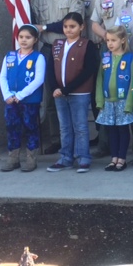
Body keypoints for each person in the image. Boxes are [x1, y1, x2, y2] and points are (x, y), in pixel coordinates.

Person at [31, 0, 85, 154]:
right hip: (47, 50)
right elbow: (32, 22)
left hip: (69, 49)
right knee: (52, 93)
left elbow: (72, 21)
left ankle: (74, 139)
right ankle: (57, 139)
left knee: (70, 93)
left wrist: (44, 27)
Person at [46, 12, 97, 173]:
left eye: (73, 26)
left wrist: (67, 89)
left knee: (80, 126)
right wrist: (55, 87)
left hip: (79, 93)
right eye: (66, 26)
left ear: (81, 27)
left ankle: (83, 157)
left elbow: (89, 70)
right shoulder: (57, 44)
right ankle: (66, 157)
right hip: (59, 94)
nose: (69, 30)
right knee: (65, 127)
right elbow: (51, 69)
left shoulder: (87, 45)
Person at [0, 24, 45, 172]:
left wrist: (20, 95)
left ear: (35, 39)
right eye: (21, 37)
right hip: (11, 100)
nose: (24, 40)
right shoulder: (10, 56)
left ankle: (31, 159)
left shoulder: (38, 57)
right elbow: (3, 76)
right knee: (12, 128)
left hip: (29, 101)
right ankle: (13, 158)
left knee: (30, 128)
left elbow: (38, 79)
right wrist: (7, 94)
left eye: (28, 37)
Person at [95, 26, 133, 173]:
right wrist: (99, 100)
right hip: (108, 101)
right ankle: (113, 158)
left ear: (123, 40)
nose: (110, 44)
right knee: (111, 130)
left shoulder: (130, 57)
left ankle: (122, 158)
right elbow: (99, 79)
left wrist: (130, 102)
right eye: (108, 40)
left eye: (113, 40)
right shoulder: (105, 57)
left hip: (123, 100)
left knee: (123, 130)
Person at [82, 0, 112, 147]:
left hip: (107, 46)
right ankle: (101, 134)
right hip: (90, 47)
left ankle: (109, 139)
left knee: (108, 90)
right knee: (94, 92)